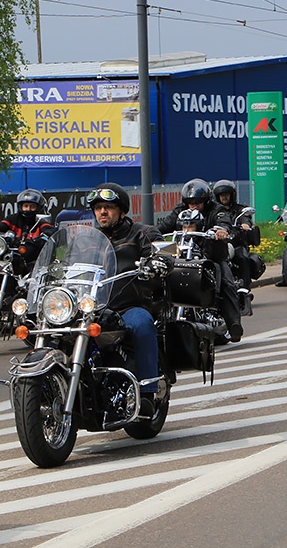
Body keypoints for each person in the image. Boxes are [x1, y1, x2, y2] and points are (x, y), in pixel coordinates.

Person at [87, 182, 166, 417]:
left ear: (121, 211)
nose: (102, 212)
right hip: (92, 309)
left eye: (108, 207)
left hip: (128, 306)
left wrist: (157, 262)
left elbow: (160, 254)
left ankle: (148, 393)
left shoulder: (141, 234)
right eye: (98, 207)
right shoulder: (87, 239)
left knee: (142, 325)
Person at [157, 178, 245, 341]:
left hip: (213, 254)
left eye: (198, 202)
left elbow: (223, 220)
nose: (194, 205)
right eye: (191, 202)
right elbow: (165, 225)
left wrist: (222, 230)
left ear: (205, 201)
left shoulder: (216, 209)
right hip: (184, 253)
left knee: (226, 281)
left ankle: (234, 324)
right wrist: (150, 234)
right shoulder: (181, 211)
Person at [212, 179, 260, 302]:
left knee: (242, 257)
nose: (224, 197)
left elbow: (245, 217)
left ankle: (244, 289)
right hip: (220, 244)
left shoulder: (239, 209)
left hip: (237, 242)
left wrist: (245, 224)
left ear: (232, 195)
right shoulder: (215, 211)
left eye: (226, 194)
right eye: (221, 195)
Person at [0, 188, 55, 266]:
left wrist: (43, 237)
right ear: (20, 207)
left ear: (38, 208)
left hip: (36, 260)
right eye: (25, 206)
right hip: (12, 256)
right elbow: (1, 225)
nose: (28, 209)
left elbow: (49, 229)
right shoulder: (13, 219)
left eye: (32, 206)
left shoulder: (40, 220)